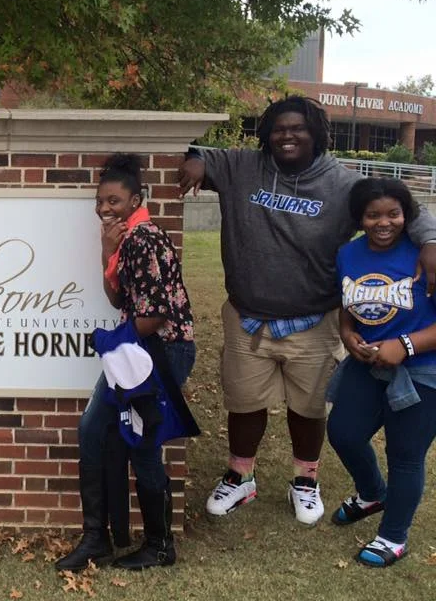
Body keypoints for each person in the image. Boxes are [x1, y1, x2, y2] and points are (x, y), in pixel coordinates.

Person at [178, 95, 436, 526]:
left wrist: (430, 241)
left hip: (314, 318)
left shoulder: (343, 184)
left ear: (316, 132)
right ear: (267, 134)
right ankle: (241, 477)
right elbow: (200, 156)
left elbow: (403, 207)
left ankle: (305, 480)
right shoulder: (242, 166)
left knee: (309, 407)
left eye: (298, 128)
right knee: (244, 402)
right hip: (247, 316)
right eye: (279, 128)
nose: (288, 135)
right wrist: (195, 162)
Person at [56, 153, 196, 572]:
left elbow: (156, 315)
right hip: (138, 350)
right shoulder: (127, 239)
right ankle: (100, 538)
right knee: (102, 432)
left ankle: (156, 545)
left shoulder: (144, 239)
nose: (104, 208)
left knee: (140, 443)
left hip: (159, 353)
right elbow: (120, 299)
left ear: (136, 200)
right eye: (100, 201)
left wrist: (111, 340)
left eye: (113, 200)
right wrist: (106, 252)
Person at [328, 178, 436, 567]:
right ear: (359, 218)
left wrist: (405, 345)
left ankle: (393, 536)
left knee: (405, 454)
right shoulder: (349, 253)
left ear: (407, 215)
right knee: (343, 433)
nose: (384, 223)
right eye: (373, 215)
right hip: (368, 364)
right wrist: (347, 333)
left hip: (422, 369)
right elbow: (347, 302)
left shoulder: (425, 255)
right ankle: (373, 493)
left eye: (393, 214)